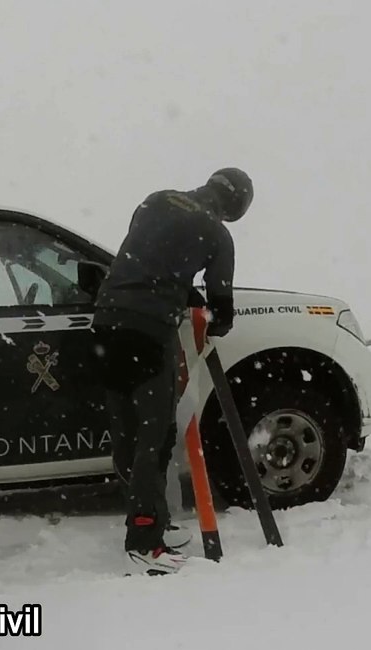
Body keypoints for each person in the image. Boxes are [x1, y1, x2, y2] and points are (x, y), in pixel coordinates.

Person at [91, 167, 253, 575]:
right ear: (235, 207)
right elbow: (222, 304)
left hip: (106, 320)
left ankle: (151, 520)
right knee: (156, 434)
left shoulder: (157, 198)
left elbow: (148, 256)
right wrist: (214, 320)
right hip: (148, 330)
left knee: (125, 428)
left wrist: (179, 283)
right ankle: (145, 539)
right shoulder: (217, 234)